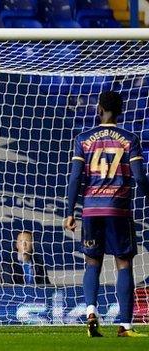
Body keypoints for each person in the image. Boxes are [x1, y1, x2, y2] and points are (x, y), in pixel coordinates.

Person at [64, 91, 149, 338]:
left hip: (91, 210)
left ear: (99, 110)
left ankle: (91, 312)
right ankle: (125, 325)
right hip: (118, 209)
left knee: (92, 262)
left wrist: (70, 211)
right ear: (120, 111)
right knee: (124, 264)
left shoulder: (83, 138)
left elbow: (75, 178)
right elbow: (140, 178)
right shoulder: (129, 139)